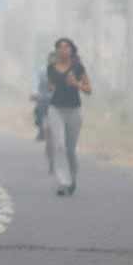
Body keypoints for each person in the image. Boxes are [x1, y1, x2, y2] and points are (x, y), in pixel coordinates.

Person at [47, 37, 91, 196]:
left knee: (70, 149)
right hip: (56, 109)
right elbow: (51, 86)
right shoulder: (51, 68)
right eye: (60, 47)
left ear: (72, 50)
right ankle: (63, 182)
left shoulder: (78, 68)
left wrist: (76, 84)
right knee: (59, 145)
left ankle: (72, 178)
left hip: (74, 110)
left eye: (67, 47)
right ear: (57, 50)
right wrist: (50, 87)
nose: (63, 50)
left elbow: (88, 89)